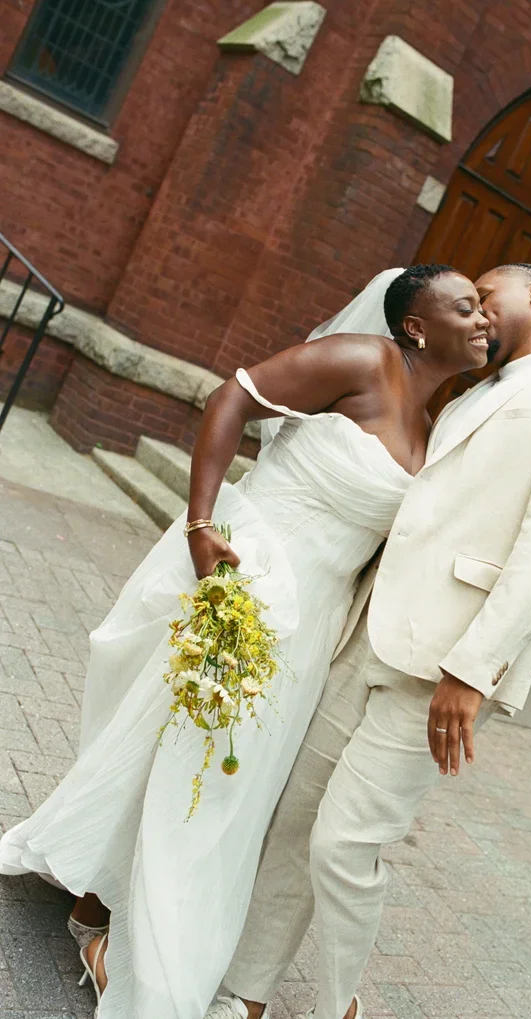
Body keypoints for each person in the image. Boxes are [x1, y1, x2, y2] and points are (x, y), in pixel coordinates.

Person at [0, 265, 492, 1019]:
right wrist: (201, 524)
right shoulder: (363, 360)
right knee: (198, 757)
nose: (483, 319)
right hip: (249, 572)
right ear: (417, 325)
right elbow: (232, 394)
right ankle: (120, 933)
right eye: (466, 307)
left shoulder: (435, 433)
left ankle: (100, 903)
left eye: (485, 309)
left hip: (313, 623)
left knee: (223, 774)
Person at [205, 262, 531, 1019]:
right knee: (294, 820)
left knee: (344, 842)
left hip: (441, 665)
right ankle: (244, 994)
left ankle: (339, 1006)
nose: (476, 307)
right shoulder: (474, 391)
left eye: (488, 291)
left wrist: (474, 670)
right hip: (368, 630)